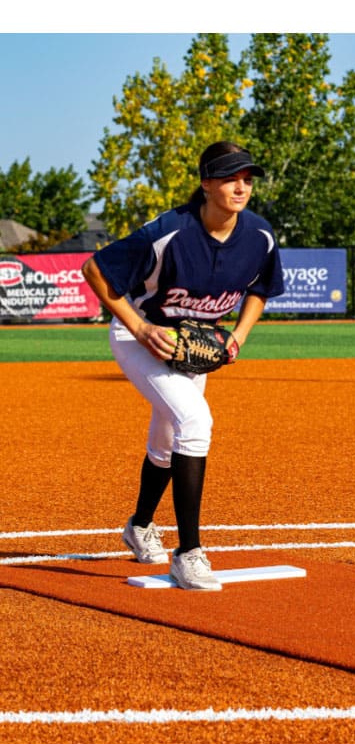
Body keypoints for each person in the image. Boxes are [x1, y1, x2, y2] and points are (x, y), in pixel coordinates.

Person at [82, 141, 284, 590]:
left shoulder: (259, 236)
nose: (241, 186)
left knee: (169, 438)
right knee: (195, 421)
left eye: (248, 178)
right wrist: (137, 328)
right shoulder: (169, 231)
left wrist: (239, 335)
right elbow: (94, 268)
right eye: (231, 177)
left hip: (191, 342)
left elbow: (261, 287)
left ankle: (139, 526)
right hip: (141, 336)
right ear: (206, 184)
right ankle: (188, 553)